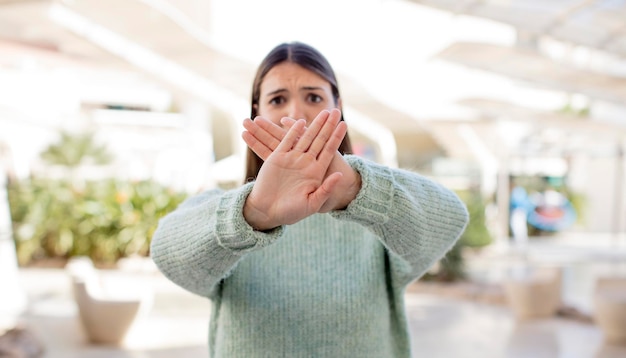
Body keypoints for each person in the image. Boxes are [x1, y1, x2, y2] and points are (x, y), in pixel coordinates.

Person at [150, 41, 469, 358]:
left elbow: (451, 218)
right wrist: (253, 213)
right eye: (277, 99)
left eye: (314, 97)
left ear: (337, 106)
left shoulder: (377, 221)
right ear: (256, 112)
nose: (296, 115)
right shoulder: (230, 217)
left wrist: (355, 189)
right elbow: (168, 253)